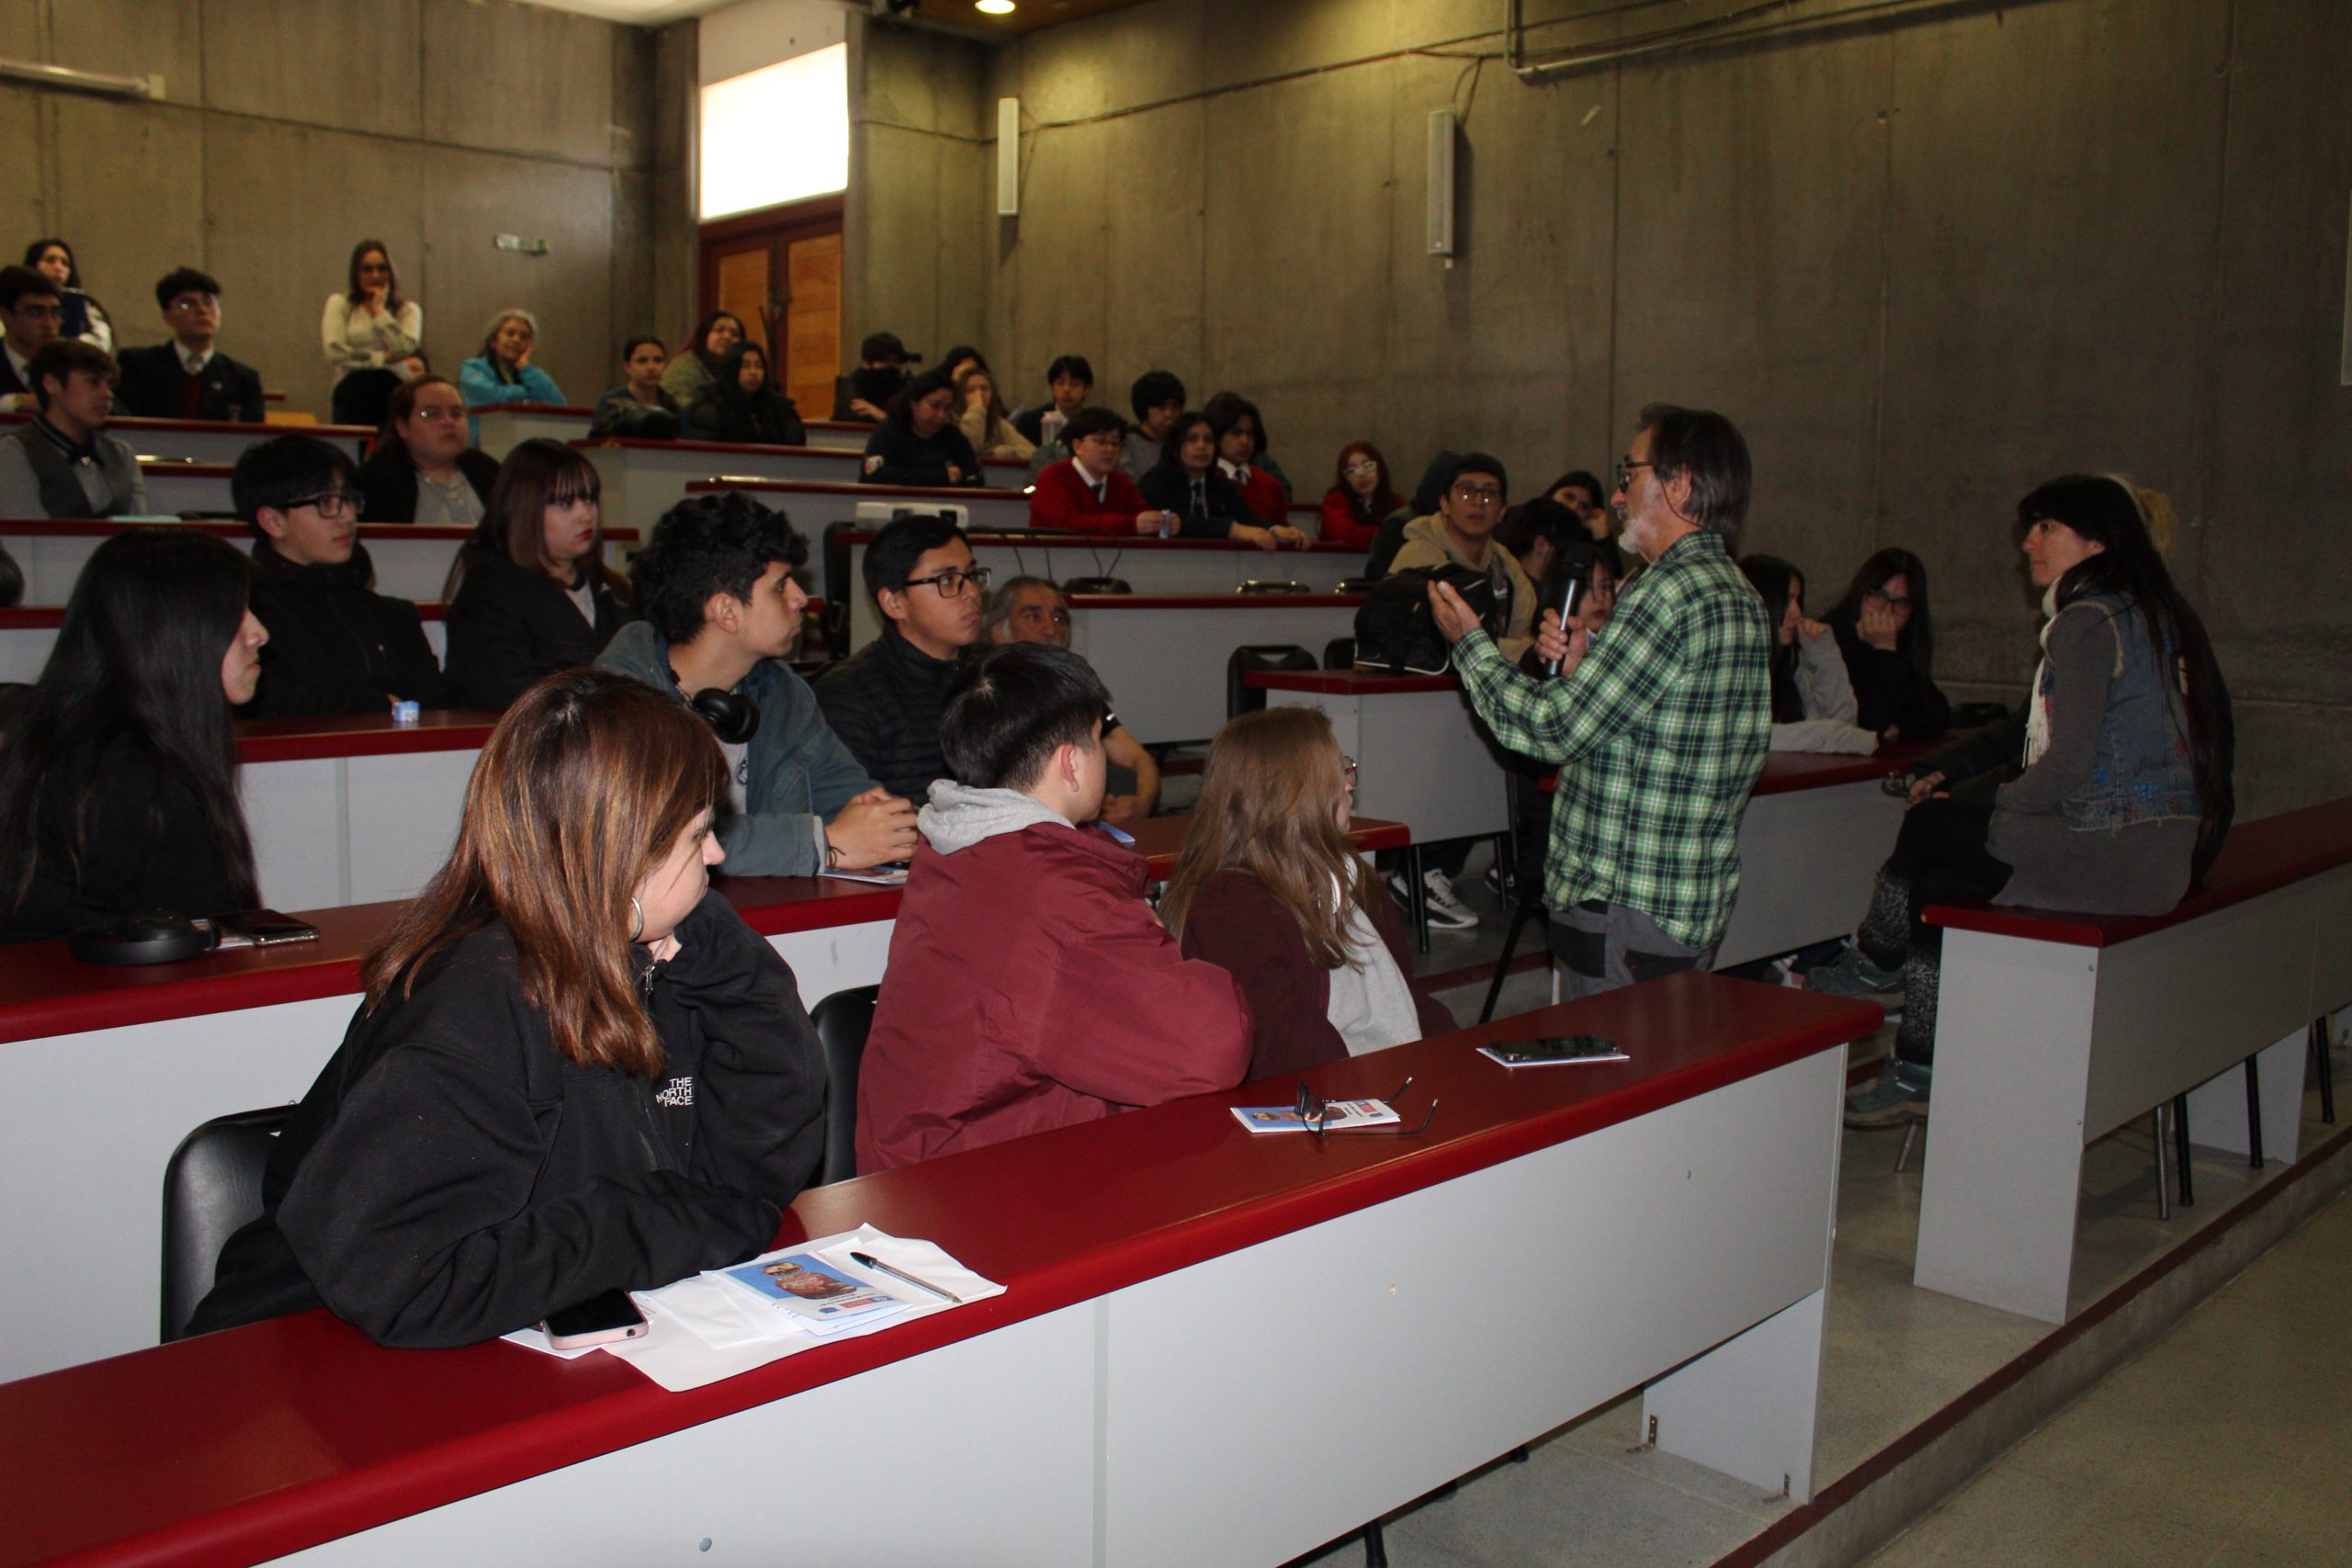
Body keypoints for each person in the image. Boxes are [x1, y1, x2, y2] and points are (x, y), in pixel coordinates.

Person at [186, 669, 826, 1347]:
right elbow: (404, 1278)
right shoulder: (474, 1001)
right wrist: (644, 1221)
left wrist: (719, 949)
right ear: (619, 852)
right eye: (697, 834)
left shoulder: (663, 955)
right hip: (293, 1359)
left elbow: (755, 1179)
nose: (718, 854)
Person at [1833, 477, 2233, 1127]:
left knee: (1933, 823)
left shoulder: (2086, 621)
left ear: (2096, 541)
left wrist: (2005, 805)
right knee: (1938, 885)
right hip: (2155, 852)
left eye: (2046, 527)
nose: (2028, 541)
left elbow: (2066, 764)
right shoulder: (2147, 613)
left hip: (2110, 850)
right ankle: (1917, 1067)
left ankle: (1874, 956)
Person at [854, 642, 1250, 1171]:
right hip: (974, 1190)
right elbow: (1215, 1048)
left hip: (929, 1158)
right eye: (1096, 740)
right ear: (1071, 764)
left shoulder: (959, 847)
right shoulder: (1057, 896)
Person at [1429, 404, 1772, 998]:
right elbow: (1651, 729)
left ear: (1679, 483)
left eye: (1629, 472)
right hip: (1682, 904)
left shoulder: (1665, 595)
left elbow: (1550, 730)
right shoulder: (1735, 592)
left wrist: (1471, 648)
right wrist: (1586, 663)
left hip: (1627, 909)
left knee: (1608, 1078)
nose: (1617, 496)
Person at [598, 491, 917, 875]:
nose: (801, 598)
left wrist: (886, 826)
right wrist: (823, 844)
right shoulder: (617, 703)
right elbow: (651, 839)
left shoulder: (781, 691)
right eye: (781, 586)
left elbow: (850, 796)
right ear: (727, 612)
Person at [0, 528, 266, 942]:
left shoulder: (74, 741)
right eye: (233, 614)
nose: (258, 632)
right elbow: (203, 945)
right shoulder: (137, 782)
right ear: (173, 631)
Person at [1162, 706, 1453, 1079]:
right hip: (1320, 1099)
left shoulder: (1356, 878)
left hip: (1381, 1077)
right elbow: (1286, 1052)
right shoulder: (1227, 910)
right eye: (1337, 771)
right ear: (1290, 793)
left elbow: (1410, 1001)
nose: (1350, 783)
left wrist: (1456, 1061)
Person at [235, 434, 447, 718]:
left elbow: (433, 706)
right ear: (273, 521)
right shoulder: (247, 617)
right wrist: (376, 704)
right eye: (326, 502)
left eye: (349, 500)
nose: (346, 516)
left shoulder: (391, 616)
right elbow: (268, 707)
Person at [444, 439, 632, 708]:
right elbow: (502, 692)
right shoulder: (489, 593)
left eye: (589, 499)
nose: (586, 515)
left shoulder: (613, 588)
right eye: (565, 504)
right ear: (524, 509)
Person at [813, 513, 984, 801]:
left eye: (971, 575)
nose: (971, 591)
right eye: (947, 580)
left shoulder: (994, 671)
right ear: (894, 603)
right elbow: (854, 818)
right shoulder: (849, 696)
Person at [984, 574, 1161, 821]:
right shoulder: (983, 694)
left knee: (1122, 779)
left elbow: (1138, 759)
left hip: (1071, 823)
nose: (1050, 629)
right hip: (1011, 823)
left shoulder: (1073, 691)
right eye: (1033, 617)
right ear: (998, 631)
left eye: (1058, 618)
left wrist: (1141, 804)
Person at [1737, 555, 1874, 755]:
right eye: (1787, 600)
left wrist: (1825, 654)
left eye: (1798, 600)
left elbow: (1845, 722)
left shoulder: (1791, 665)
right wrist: (1834, 736)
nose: (1797, 612)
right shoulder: (1732, 664)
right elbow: (1749, 737)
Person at [0, 340, 147, 519]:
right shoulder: (13, 451)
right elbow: (26, 536)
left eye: (109, 384)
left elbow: (138, 533)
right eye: (93, 382)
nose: (108, 394)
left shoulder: (122, 454)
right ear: (51, 384)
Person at [1825, 547, 1951, 742]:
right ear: (1860, 593)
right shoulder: (1828, 639)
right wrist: (1884, 651)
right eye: (1877, 595)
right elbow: (1868, 722)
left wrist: (1901, 726)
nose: (1885, 611)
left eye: (1901, 604)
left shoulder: (1902, 647)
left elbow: (1938, 713)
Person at [113, 266, 266, 423]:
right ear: (168, 317)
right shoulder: (138, 366)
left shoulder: (243, 379)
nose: (202, 310)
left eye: (209, 302)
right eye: (187, 304)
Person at [356, 376, 501, 526]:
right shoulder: (377, 482)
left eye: (457, 413)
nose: (448, 422)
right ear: (402, 426)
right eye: (431, 414)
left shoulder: (488, 471)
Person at [1136, 411, 1288, 548]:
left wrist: (1274, 530)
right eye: (1192, 439)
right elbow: (1181, 523)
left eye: (1208, 440)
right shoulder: (1155, 482)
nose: (1202, 446)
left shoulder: (1221, 484)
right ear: (1175, 447)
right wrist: (1232, 529)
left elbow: (1247, 520)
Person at [322, 240, 425, 430]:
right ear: (356, 273)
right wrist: (382, 358)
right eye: (367, 269)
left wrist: (379, 312)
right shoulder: (340, 304)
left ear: (391, 272)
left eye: (382, 268)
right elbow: (335, 352)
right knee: (361, 387)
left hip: (394, 386)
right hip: (352, 388)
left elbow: (404, 348)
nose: (375, 275)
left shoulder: (408, 310)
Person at [1027, 408, 1173, 536]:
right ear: (1078, 445)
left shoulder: (1120, 482)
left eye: (1115, 443)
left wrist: (1161, 522)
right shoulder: (1053, 477)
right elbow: (1067, 524)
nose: (1109, 449)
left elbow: (1142, 514)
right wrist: (1131, 525)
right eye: (1101, 442)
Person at [859, 369, 982, 488]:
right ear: (913, 403)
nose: (941, 415)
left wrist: (960, 476)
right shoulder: (888, 432)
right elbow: (875, 475)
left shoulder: (952, 436)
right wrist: (938, 476)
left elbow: (976, 477)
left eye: (947, 409)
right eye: (934, 405)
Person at [458, 310, 565, 430]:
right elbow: (495, 399)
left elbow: (559, 407)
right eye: (510, 333)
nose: (516, 340)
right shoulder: (472, 368)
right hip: (486, 441)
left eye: (523, 337)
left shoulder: (531, 374)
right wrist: (528, 397)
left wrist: (525, 369)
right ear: (493, 341)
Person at [688, 343, 806, 446]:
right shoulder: (710, 402)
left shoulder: (779, 406)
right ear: (731, 369)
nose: (753, 372)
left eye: (759, 366)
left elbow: (795, 441)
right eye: (745, 365)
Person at [1203, 392, 1291, 524]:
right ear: (1216, 435)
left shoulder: (1271, 485)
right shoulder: (1200, 480)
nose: (1245, 441)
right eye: (1235, 433)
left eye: (1250, 433)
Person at [24, 239, 112, 353]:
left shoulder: (86, 305)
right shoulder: (17, 300)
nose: (58, 268)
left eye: (65, 263)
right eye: (51, 260)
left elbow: (101, 342)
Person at [590, 336, 684, 439]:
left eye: (658, 360)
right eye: (642, 361)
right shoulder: (611, 403)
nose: (651, 367)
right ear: (627, 366)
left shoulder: (673, 406)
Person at [0, 264, 63, 413]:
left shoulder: (70, 364)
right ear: (6, 315)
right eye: (36, 312)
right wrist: (16, 402)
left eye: (55, 313)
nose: (49, 324)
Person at [1319, 441, 1401, 547]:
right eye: (1353, 470)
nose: (1362, 474)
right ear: (1345, 477)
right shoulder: (1334, 502)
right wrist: (1387, 533)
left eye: (1368, 466)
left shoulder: (1397, 503)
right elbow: (1345, 535)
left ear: (1380, 468)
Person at [660, 311, 745, 411]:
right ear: (704, 335)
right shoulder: (683, 368)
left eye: (734, 334)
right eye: (719, 330)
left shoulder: (742, 369)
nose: (727, 337)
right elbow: (678, 406)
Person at [1009, 353, 1092, 448]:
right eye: (1060, 383)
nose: (1066, 390)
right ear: (1052, 387)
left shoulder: (1093, 425)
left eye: (1074, 384)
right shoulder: (1030, 422)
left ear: (1087, 389)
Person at [832, 330, 918, 422]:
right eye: (886, 362)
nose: (893, 367)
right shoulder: (851, 389)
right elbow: (849, 423)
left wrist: (881, 416)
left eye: (896, 362)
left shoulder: (904, 386)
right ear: (866, 363)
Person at [956, 366, 1033, 460]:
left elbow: (1031, 452)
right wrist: (976, 409)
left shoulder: (998, 423)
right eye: (971, 390)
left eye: (984, 388)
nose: (979, 394)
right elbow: (970, 450)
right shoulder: (952, 421)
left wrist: (999, 453)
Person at [1121, 369, 1185, 480]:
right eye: (1161, 407)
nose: (1169, 414)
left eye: (1174, 407)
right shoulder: (1127, 444)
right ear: (1144, 409)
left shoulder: (1182, 442)